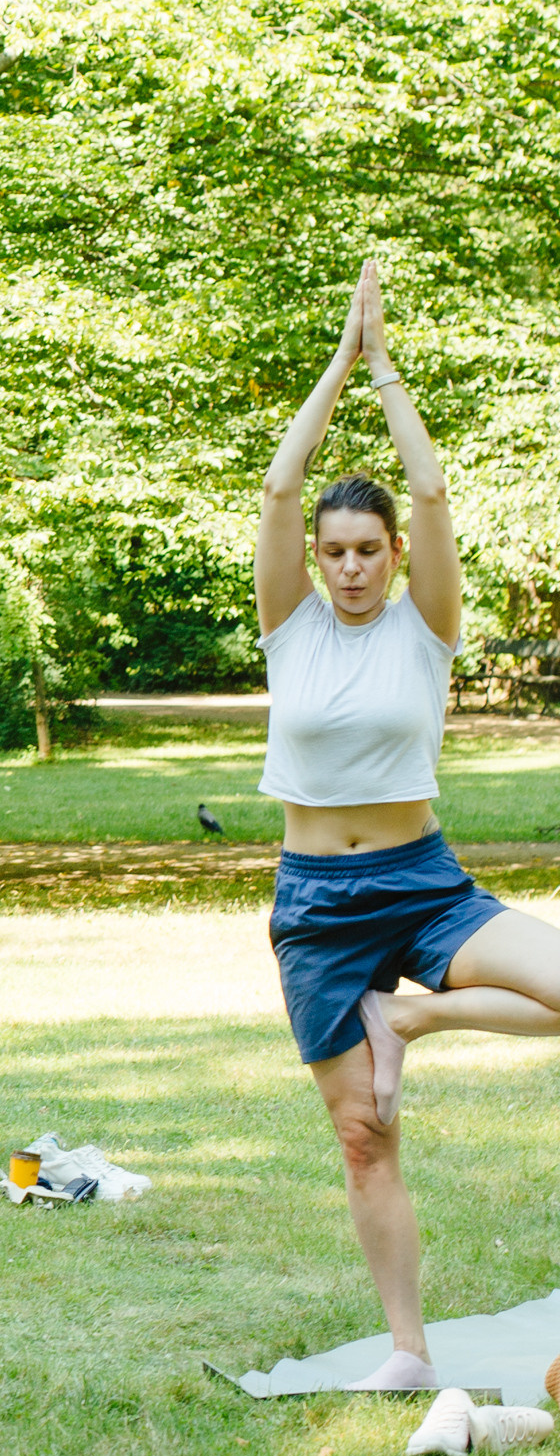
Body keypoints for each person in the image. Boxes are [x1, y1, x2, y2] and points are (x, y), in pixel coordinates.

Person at [255, 258, 560, 1393]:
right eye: (335, 550)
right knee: (363, 1137)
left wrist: (385, 370)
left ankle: (407, 1018)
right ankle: (407, 1347)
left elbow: (434, 497)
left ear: (391, 554)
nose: (346, 565)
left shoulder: (425, 624)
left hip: (425, 883)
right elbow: (278, 495)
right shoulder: (289, 620)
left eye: (365, 549)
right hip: (317, 905)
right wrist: (332, 364)